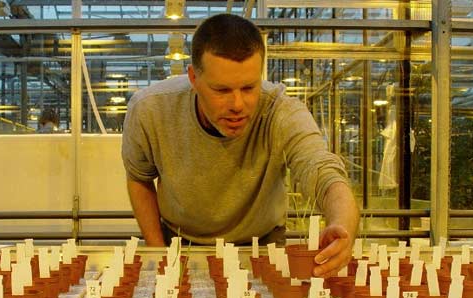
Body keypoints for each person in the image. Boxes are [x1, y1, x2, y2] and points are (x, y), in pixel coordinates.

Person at [121, 14, 359, 278]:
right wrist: (159, 253)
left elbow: (323, 170)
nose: (237, 105)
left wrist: (342, 224)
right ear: (193, 78)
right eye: (221, 90)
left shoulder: (280, 111)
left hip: (262, 244)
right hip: (180, 241)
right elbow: (139, 178)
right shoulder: (150, 110)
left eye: (249, 87)